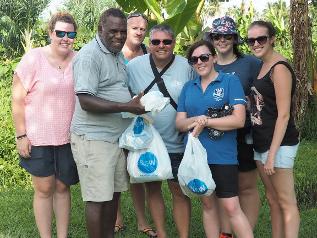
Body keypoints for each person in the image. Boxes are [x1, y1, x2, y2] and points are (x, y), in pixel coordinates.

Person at [70, 8, 145, 238]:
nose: (119, 36)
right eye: (113, 31)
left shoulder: (116, 55)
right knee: (97, 199)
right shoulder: (89, 56)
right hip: (93, 140)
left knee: (113, 194)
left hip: (114, 139)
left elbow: (117, 89)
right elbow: (85, 101)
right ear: (100, 29)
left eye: (123, 31)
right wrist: (126, 107)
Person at [176, 40, 254, 238]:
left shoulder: (229, 81)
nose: (200, 62)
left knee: (231, 207)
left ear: (214, 58)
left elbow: (238, 119)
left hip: (223, 156)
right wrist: (198, 120)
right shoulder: (188, 87)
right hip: (197, 158)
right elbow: (179, 124)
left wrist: (207, 122)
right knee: (208, 204)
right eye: (194, 59)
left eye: (204, 57)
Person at [11, 12, 79, 238]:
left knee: (62, 187)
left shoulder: (79, 60)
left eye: (70, 34)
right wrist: (21, 135)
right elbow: (17, 98)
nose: (65, 38)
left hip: (68, 137)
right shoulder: (33, 59)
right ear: (51, 33)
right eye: (60, 33)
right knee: (44, 189)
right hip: (38, 137)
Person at [127, 24, 196, 238]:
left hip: (177, 139)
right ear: (149, 44)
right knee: (153, 189)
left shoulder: (187, 66)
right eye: (156, 41)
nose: (161, 46)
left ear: (174, 43)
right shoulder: (134, 66)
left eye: (166, 41)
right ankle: (162, 233)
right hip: (148, 141)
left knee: (178, 190)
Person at [207, 16, 262, 238]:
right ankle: (225, 232)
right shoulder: (204, 62)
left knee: (246, 185)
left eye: (227, 35)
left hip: (244, 132)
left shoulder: (250, 63)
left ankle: (246, 230)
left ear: (235, 38)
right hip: (215, 135)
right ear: (211, 38)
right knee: (221, 187)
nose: (222, 40)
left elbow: (267, 89)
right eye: (217, 36)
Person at [247, 20, 300, 238]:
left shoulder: (279, 67)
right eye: (251, 40)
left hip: (278, 144)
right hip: (261, 141)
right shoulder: (263, 65)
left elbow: (284, 114)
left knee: (286, 202)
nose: (256, 43)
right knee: (272, 198)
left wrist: (272, 157)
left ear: (272, 39)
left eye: (261, 38)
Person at [115, 12, 157, 237]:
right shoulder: (114, 53)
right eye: (135, 28)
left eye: (143, 28)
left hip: (140, 120)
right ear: (125, 28)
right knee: (117, 169)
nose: (139, 32)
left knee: (138, 170)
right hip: (116, 117)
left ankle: (143, 221)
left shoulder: (149, 53)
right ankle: (117, 217)